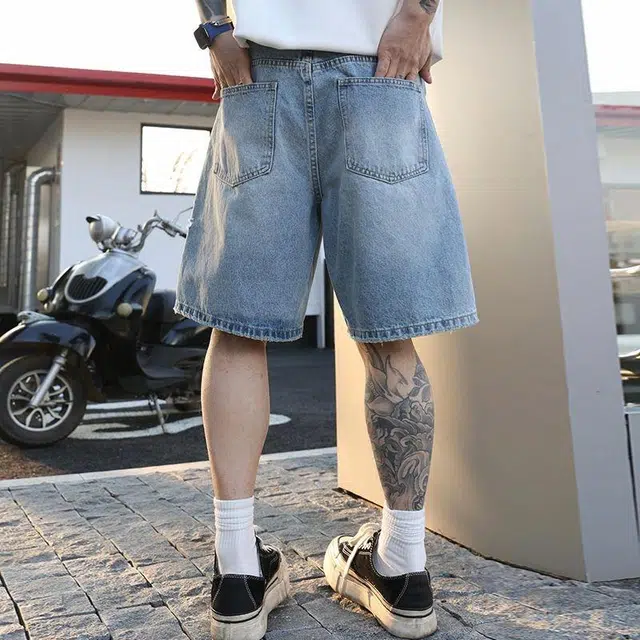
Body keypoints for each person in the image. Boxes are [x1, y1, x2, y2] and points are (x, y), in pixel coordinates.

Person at [174, 1, 478, 638]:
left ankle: (238, 575)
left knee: (238, 333)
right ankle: (403, 568)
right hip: (378, 75)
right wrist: (415, 14)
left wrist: (216, 31)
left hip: (261, 78)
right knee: (391, 337)